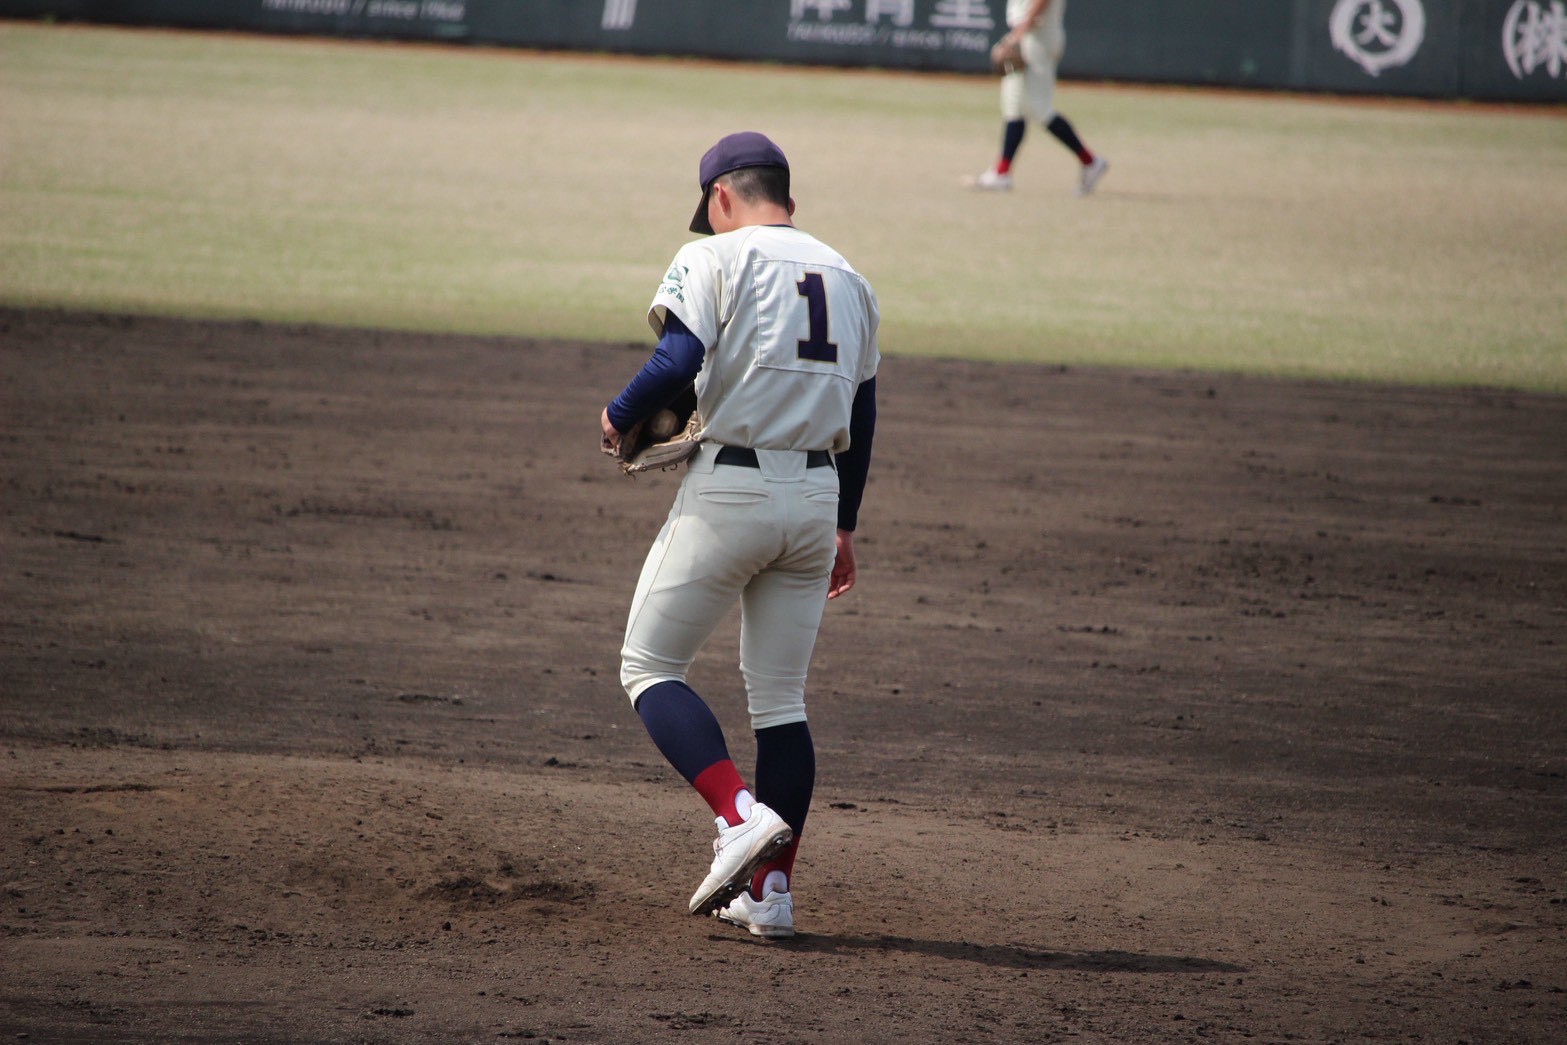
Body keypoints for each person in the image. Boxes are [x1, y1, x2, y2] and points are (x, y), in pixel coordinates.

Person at [599, 131, 880, 939]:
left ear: (722, 195)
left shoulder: (717, 260)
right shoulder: (851, 279)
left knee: (649, 665)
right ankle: (773, 895)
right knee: (781, 699)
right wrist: (844, 526)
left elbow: (676, 357)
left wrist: (617, 412)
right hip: (815, 501)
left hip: (732, 491)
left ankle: (738, 811)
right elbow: (861, 414)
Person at [967, 0, 1108, 195]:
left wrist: (1019, 33)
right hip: (1029, 33)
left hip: (1037, 35)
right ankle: (1001, 173)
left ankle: (1091, 162)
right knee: (1014, 105)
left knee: (1040, 108)